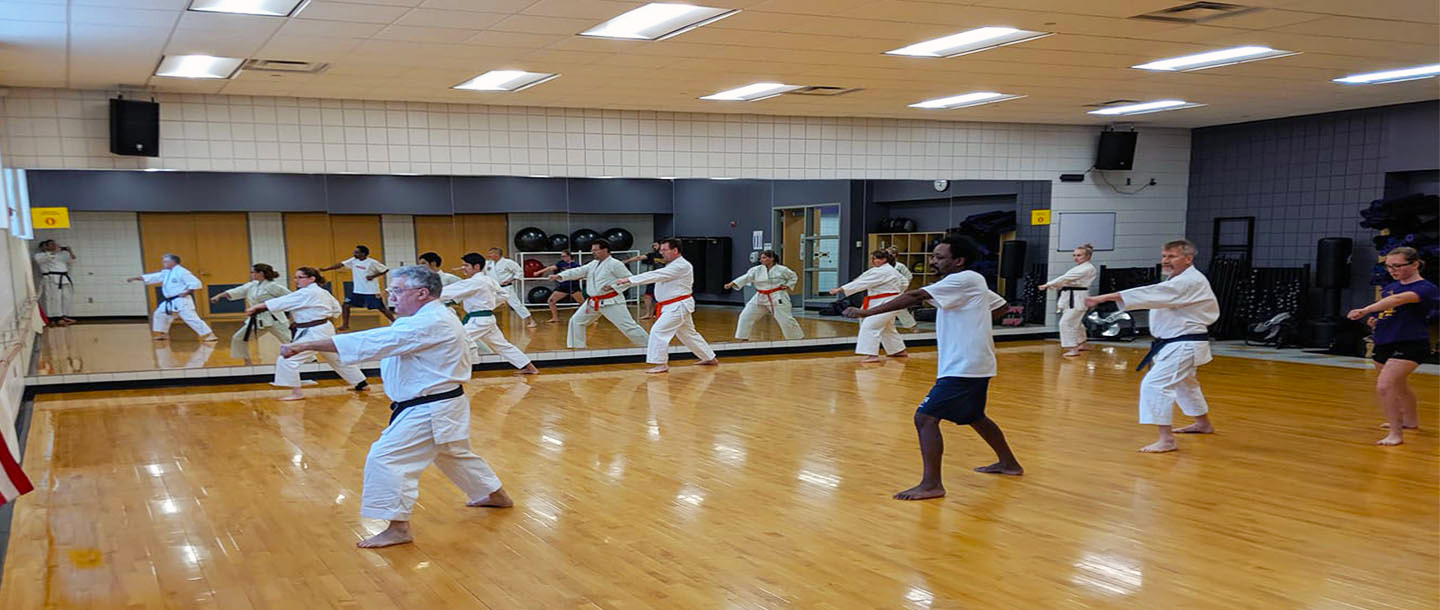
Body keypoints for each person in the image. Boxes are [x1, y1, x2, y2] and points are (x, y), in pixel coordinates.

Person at [281, 266, 513, 548]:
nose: (390, 296)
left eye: (398, 291)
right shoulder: (426, 316)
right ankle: (495, 495)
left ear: (422, 293)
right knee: (452, 453)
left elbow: (374, 341)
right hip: (440, 404)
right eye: (391, 290)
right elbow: (386, 342)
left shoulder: (430, 322)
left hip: (429, 408)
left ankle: (397, 528)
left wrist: (307, 344)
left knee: (385, 458)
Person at [845, 235, 1021, 500]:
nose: (933, 260)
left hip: (965, 365)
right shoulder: (965, 283)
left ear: (959, 260)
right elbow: (1001, 306)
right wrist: (974, 320)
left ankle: (932, 485)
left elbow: (915, 295)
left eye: (940, 257)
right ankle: (1009, 464)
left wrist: (866, 313)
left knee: (925, 417)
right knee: (974, 416)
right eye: (934, 256)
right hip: (970, 363)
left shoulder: (964, 279)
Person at [1084, 239, 1219, 453]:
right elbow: (1154, 295)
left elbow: (1148, 294)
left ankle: (1166, 439)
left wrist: (1103, 298)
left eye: (1171, 256)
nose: (1165, 261)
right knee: (1185, 384)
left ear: (1188, 258)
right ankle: (1202, 423)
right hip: (1176, 343)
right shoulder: (1178, 279)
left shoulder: (1189, 281)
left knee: (1154, 385)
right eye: (1164, 256)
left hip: (1183, 343)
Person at [1346, 246, 1438, 446]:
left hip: (1410, 343)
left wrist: (1364, 310)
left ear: (1414, 264)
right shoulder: (1390, 287)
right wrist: (1374, 318)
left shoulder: (1426, 288)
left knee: (1385, 386)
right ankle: (1409, 421)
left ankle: (1395, 434)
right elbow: (1387, 308)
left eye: (1397, 266)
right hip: (1384, 342)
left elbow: (1397, 301)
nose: (1392, 270)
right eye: (1388, 266)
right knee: (1399, 385)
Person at [247, 266, 368, 401]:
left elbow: (283, 302)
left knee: (287, 358)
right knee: (335, 358)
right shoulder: (322, 292)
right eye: (295, 277)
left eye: (300, 277)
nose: (296, 280)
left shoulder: (307, 293)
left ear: (312, 279)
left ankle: (296, 393)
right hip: (324, 328)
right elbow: (336, 309)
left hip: (314, 332)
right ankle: (361, 383)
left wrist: (258, 306)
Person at [614, 238, 718, 374]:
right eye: (660, 250)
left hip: (677, 306)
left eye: (664, 250)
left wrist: (630, 280)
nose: (661, 253)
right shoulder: (672, 265)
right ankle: (709, 357)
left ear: (675, 250)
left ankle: (660, 364)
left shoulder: (681, 265)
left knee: (658, 331)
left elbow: (656, 275)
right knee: (688, 334)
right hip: (673, 306)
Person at [443, 253, 539, 375]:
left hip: (478, 320)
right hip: (487, 318)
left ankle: (465, 370)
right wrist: (492, 304)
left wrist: (423, 295)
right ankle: (530, 368)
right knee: (502, 345)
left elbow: (446, 292)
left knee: (458, 339)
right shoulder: (488, 280)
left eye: (466, 265)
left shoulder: (474, 282)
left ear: (476, 267)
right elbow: (505, 294)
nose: (463, 268)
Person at [553, 240, 649, 349]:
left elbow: (629, 279)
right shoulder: (593, 264)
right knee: (576, 321)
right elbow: (578, 271)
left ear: (605, 250)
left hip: (611, 302)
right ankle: (577, 348)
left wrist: (613, 286)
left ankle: (650, 346)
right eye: (592, 250)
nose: (592, 252)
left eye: (595, 250)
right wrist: (560, 276)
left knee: (628, 326)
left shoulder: (615, 264)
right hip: (593, 302)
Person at [830, 250, 909, 362]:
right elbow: (904, 283)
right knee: (887, 328)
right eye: (872, 258)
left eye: (876, 258)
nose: (873, 261)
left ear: (884, 260)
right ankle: (898, 351)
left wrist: (841, 289)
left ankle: (871, 355)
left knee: (870, 326)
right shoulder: (889, 271)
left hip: (884, 303)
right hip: (888, 302)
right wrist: (896, 292)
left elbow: (861, 283)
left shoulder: (882, 272)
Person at [211, 263, 292, 364]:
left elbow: (291, 297)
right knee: (239, 338)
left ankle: (310, 360)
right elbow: (236, 291)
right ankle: (247, 360)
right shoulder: (252, 285)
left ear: (261, 273)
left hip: (275, 319)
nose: (251, 274)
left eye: (253, 272)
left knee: (289, 340)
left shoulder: (273, 286)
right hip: (257, 320)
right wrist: (219, 296)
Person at [127, 254, 218, 343]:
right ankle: (163, 334)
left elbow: (195, 283)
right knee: (160, 314)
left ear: (173, 262)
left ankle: (210, 335)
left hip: (182, 300)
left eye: (166, 261)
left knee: (190, 318)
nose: (163, 263)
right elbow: (153, 277)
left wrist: (187, 292)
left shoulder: (182, 272)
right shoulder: (167, 272)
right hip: (170, 301)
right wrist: (136, 278)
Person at [725, 249, 803, 341]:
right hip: (760, 296)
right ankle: (743, 337)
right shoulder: (756, 270)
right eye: (761, 258)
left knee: (785, 319)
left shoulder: (782, 270)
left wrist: (787, 285)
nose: (761, 260)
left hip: (777, 296)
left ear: (772, 258)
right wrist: (732, 283)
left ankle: (795, 338)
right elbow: (746, 278)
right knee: (745, 316)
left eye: (764, 258)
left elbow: (793, 277)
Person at [1040, 244, 1098, 357]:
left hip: (1077, 298)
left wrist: (1048, 284)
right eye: (1074, 255)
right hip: (1070, 296)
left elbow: (1066, 278)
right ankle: (1082, 343)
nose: (1076, 258)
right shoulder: (1079, 267)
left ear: (1088, 256)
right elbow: (1065, 279)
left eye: (1079, 255)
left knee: (1066, 323)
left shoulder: (1087, 268)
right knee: (1076, 322)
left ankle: (1073, 348)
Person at [320, 245, 395, 330]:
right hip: (357, 291)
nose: (354, 253)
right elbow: (340, 264)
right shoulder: (353, 261)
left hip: (370, 291)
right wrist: (325, 269)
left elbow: (385, 269)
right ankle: (345, 325)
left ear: (363, 254)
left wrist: (373, 276)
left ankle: (395, 322)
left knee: (381, 308)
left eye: (357, 252)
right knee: (346, 305)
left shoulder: (372, 262)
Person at [484, 247, 537, 329]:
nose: (489, 255)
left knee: (516, 305)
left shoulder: (508, 262)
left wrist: (510, 280)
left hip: (506, 288)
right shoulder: (488, 264)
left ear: (496, 254)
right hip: (494, 289)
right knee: (488, 304)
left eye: (491, 253)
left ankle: (531, 320)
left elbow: (519, 271)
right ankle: (487, 323)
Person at [33, 240, 77, 327]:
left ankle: (62, 316)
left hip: (63, 278)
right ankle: (54, 318)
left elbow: (72, 260)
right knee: (53, 299)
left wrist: (69, 251)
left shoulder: (60, 255)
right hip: (51, 278)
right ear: (44, 247)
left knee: (65, 298)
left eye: (55, 244)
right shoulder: (39, 256)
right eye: (51, 244)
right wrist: (54, 251)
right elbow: (48, 258)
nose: (54, 246)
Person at [535, 250, 584, 324]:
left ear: (569, 256)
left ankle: (592, 318)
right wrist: (539, 272)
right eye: (561, 256)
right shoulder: (561, 264)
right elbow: (550, 268)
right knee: (551, 301)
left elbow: (581, 276)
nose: (562, 258)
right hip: (563, 288)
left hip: (573, 287)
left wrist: (571, 277)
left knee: (583, 304)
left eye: (564, 256)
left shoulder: (576, 265)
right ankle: (555, 318)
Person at [625, 243, 665, 320]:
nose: (654, 247)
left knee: (661, 297)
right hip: (654, 278)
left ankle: (661, 313)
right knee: (647, 296)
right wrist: (626, 261)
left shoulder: (667, 255)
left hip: (664, 279)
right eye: (653, 246)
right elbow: (639, 257)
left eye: (656, 245)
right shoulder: (653, 255)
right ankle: (648, 314)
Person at [885, 246, 918, 329]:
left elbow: (909, 276)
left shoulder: (900, 266)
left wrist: (903, 287)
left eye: (890, 253)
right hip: (885, 289)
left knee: (898, 306)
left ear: (895, 255)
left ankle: (911, 324)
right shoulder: (883, 265)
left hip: (897, 289)